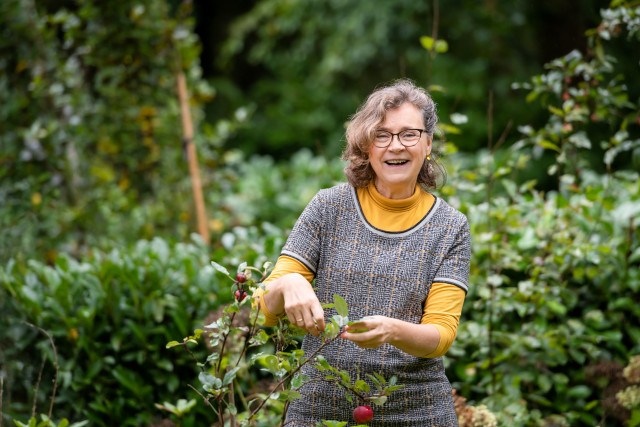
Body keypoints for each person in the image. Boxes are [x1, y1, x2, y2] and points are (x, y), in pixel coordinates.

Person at [254, 79, 471, 426]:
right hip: (319, 408)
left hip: (417, 409)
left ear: (428, 144)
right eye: (381, 135)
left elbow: (441, 335)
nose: (394, 146)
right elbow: (261, 307)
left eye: (409, 134)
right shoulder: (328, 207)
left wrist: (392, 330)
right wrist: (288, 283)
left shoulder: (450, 227)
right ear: (366, 146)